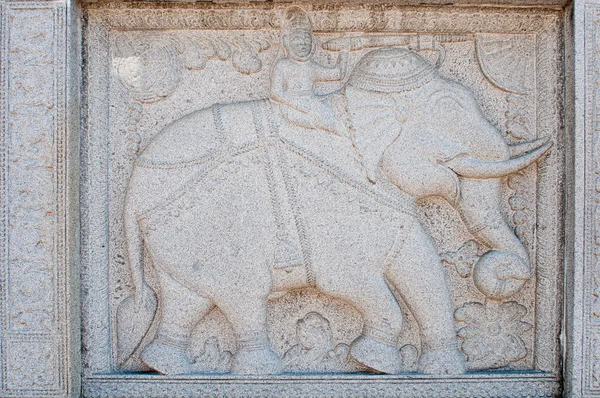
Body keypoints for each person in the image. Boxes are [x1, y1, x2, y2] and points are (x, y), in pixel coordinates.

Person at [270, 7, 348, 136]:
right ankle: (345, 137)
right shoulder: (283, 64)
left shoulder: (311, 66)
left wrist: (344, 52)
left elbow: (337, 74)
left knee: (338, 104)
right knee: (331, 122)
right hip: (294, 107)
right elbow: (275, 93)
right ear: (286, 41)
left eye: (307, 39)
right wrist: (296, 104)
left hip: (312, 102)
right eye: (297, 39)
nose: (303, 44)